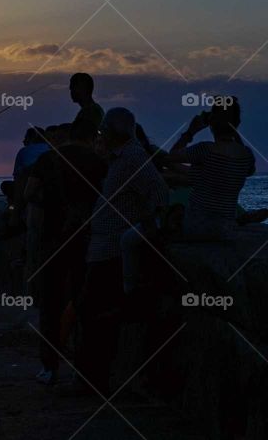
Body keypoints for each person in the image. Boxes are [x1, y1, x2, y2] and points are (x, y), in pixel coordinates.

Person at [66, 108, 167, 397]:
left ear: (113, 132)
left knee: (97, 316)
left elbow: (159, 195)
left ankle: (93, 382)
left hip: (112, 251)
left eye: (103, 131)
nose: (100, 136)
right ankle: (91, 380)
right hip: (102, 248)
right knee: (93, 315)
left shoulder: (133, 158)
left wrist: (139, 230)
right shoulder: (121, 158)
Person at [24, 119, 107, 385]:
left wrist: (51, 205)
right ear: (92, 136)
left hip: (52, 238)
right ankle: (86, 366)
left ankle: (49, 366)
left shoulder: (48, 159)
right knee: (86, 303)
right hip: (87, 239)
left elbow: (29, 193)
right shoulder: (98, 161)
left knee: (51, 303)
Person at [166, 97, 254, 240]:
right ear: (237, 123)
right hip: (226, 229)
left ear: (211, 123)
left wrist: (190, 132)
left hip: (196, 227)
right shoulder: (247, 155)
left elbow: (172, 155)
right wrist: (232, 129)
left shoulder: (204, 150)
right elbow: (250, 171)